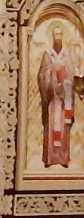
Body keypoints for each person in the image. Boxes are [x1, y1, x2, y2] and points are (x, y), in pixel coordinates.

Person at [38, 23, 77, 168]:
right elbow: (41, 75)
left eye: (60, 34)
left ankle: (63, 158)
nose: (58, 37)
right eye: (56, 34)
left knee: (64, 127)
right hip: (53, 99)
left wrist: (64, 73)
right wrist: (52, 71)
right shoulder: (47, 54)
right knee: (52, 125)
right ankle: (50, 158)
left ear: (63, 36)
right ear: (52, 36)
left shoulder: (67, 53)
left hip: (65, 99)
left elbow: (72, 74)